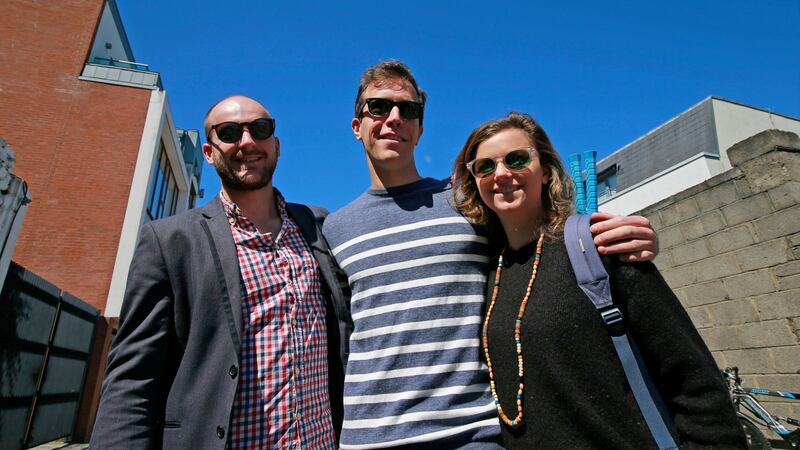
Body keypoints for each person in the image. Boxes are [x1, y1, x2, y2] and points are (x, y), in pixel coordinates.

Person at [321, 60, 660, 449]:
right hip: (369, 437)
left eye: (408, 110)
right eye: (378, 107)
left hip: (472, 433)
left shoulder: (468, 201)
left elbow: (539, 234)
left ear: (420, 128)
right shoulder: (335, 229)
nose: (394, 118)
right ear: (356, 126)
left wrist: (621, 237)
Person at [451, 111, 747, 449]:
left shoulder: (600, 247)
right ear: (474, 180)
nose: (501, 174)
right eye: (485, 167)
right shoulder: (488, 273)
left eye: (517, 159)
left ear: (545, 171)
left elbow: (693, 380)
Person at [90, 95, 350, 449]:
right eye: (229, 132)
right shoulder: (170, 241)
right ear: (210, 152)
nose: (247, 141)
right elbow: (132, 381)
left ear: (276, 144)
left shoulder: (318, 226)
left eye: (259, 129)